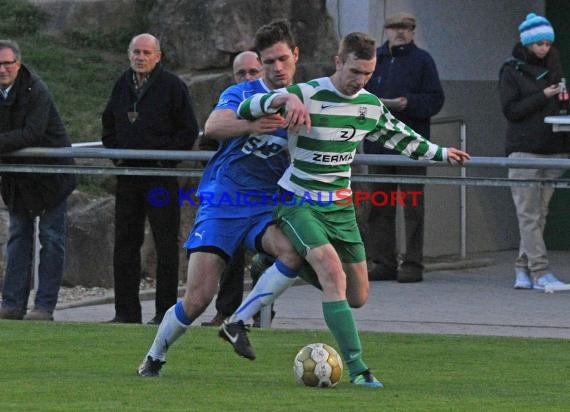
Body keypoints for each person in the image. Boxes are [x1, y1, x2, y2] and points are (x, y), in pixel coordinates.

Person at [224, 31, 470, 388]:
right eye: (355, 71)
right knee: (331, 272)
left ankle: (271, 266)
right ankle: (359, 369)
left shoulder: (368, 104)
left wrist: (442, 154)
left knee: (357, 297)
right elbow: (245, 109)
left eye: (367, 74)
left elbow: (400, 137)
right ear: (339, 62)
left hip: (340, 207)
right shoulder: (305, 93)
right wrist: (280, 98)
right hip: (298, 201)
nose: (360, 80)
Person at [137, 19, 306, 378]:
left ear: (295, 56)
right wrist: (250, 125)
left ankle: (239, 321)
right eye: (268, 62)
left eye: (282, 60)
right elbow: (213, 127)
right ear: (259, 64)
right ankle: (155, 355)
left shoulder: (306, 100)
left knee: (294, 252)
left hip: (265, 206)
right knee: (198, 299)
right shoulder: (243, 94)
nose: (276, 68)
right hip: (224, 203)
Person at [102, 33, 200, 324]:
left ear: (158, 56)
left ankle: (165, 312)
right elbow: (108, 124)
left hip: (160, 177)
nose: (140, 57)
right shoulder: (122, 84)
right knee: (125, 244)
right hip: (129, 176)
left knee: (166, 244)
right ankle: (126, 312)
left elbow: (188, 130)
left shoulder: (172, 86)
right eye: (136, 52)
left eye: (146, 52)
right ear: (129, 54)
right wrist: (118, 155)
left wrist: (163, 158)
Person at [363, 12, 445, 283]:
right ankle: (382, 261)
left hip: (411, 144)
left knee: (412, 206)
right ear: (386, 30)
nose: (400, 32)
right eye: (395, 27)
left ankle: (412, 264)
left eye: (406, 28)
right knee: (379, 205)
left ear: (413, 31)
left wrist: (407, 103)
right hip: (378, 143)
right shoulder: (375, 59)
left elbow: (435, 100)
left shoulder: (423, 60)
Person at [0, 39, 76, 321]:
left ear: (18, 64)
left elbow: (32, 132)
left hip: (50, 177)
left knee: (51, 239)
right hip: (18, 179)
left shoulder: (36, 90)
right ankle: (12, 304)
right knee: (18, 238)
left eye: (8, 63)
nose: (3, 69)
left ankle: (44, 307)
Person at [499, 13, 568, 291]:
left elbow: (559, 105)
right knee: (528, 214)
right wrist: (544, 96)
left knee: (538, 215)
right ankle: (540, 272)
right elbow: (511, 110)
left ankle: (521, 269)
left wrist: (560, 101)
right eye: (538, 43)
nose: (544, 48)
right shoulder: (511, 70)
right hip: (524, 150)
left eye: (547, 43)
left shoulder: (554, 65)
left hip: (553, 148)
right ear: (527, 43)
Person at [200, 51, 264, 327]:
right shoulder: (232, 98)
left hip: (270, 188)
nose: (248, 78)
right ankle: (227, 311)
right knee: (230, 251)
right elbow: (212, 128)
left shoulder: (281, 98)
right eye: (242, 73)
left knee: (271, 253)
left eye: (253, 72)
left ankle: (260, 310)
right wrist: (250, 127)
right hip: (235, 188)